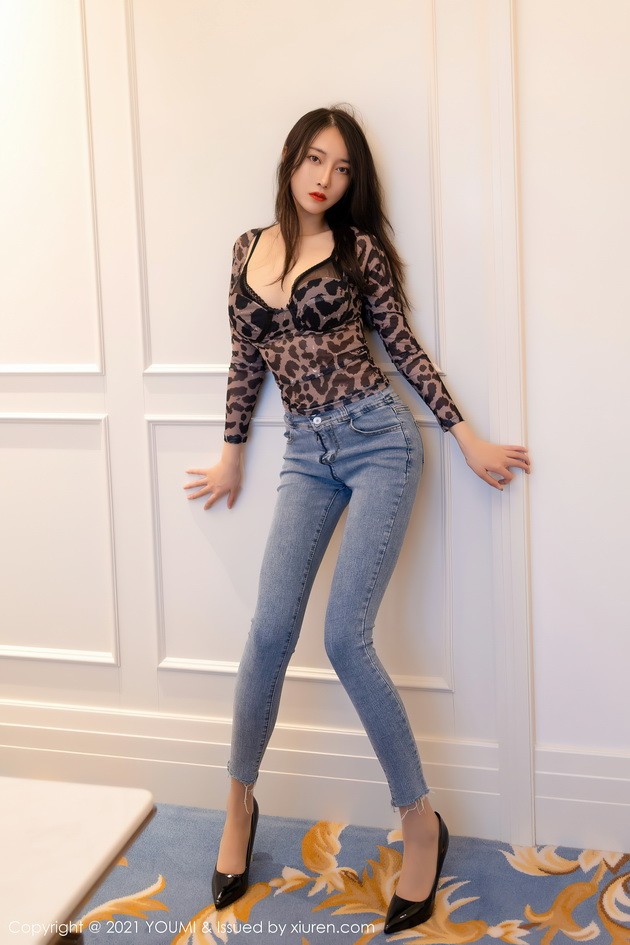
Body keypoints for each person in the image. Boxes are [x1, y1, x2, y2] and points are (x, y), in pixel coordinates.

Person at [184, 106, 530, 935]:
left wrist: (465, 434)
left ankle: (420, 820)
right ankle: (238, 802)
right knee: (269, 630)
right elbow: (244, 358)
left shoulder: (358, 250)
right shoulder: (246, 249)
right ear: (291, 159)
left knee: (346, 638)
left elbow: (400, 344)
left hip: (379, 442)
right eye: (315, 159)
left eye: (342, 169)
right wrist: (231, 454)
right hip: (304, 453)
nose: (325, 179)